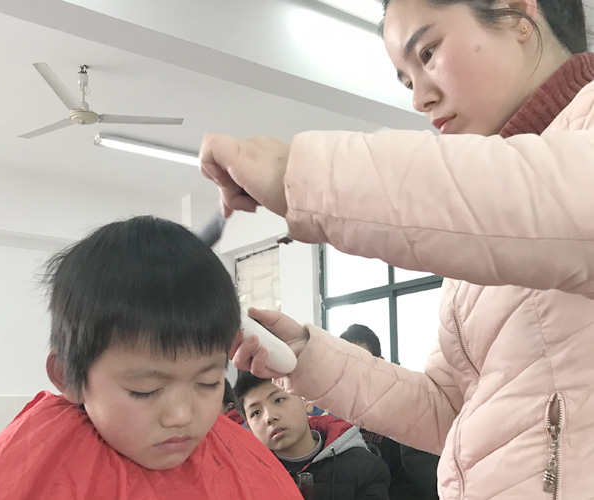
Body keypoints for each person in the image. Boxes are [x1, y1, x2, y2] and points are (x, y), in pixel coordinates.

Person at [199, 0, 594, 497]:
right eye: (407, 81)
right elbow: (449, 410)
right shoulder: (479, 251)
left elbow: (552, 199)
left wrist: (300, 176)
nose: (420, 100)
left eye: (427, 53)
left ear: (516, 10)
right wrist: (306, 358)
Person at [0, 217, 301, 500]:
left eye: (208, 382)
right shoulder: (24, 473)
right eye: (145, 389)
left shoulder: (243, 460)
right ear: (68, 377)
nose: (183, 415)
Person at [234, 371, 391, 500]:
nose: (269, 417)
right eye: (256, 412)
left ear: (306, 401)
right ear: (250, 429)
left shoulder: (365, 468)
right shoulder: (245, 480)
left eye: (278, 400)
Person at [341, 325, 439, 500]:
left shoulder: (408, 411)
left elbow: (420, 481)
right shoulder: (336, 414)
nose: (354, 374)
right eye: (346, 366)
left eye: (361, 364)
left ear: (380, 363)